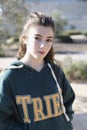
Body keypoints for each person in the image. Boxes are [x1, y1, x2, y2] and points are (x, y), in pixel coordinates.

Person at [0, 12, 75, 130]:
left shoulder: (55, 71)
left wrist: (66, 124)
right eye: (37, 38)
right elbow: (2, 119)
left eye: (48, 40)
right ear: (25, 39)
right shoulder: (10, 76)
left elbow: (68, 101)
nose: (43, 45)